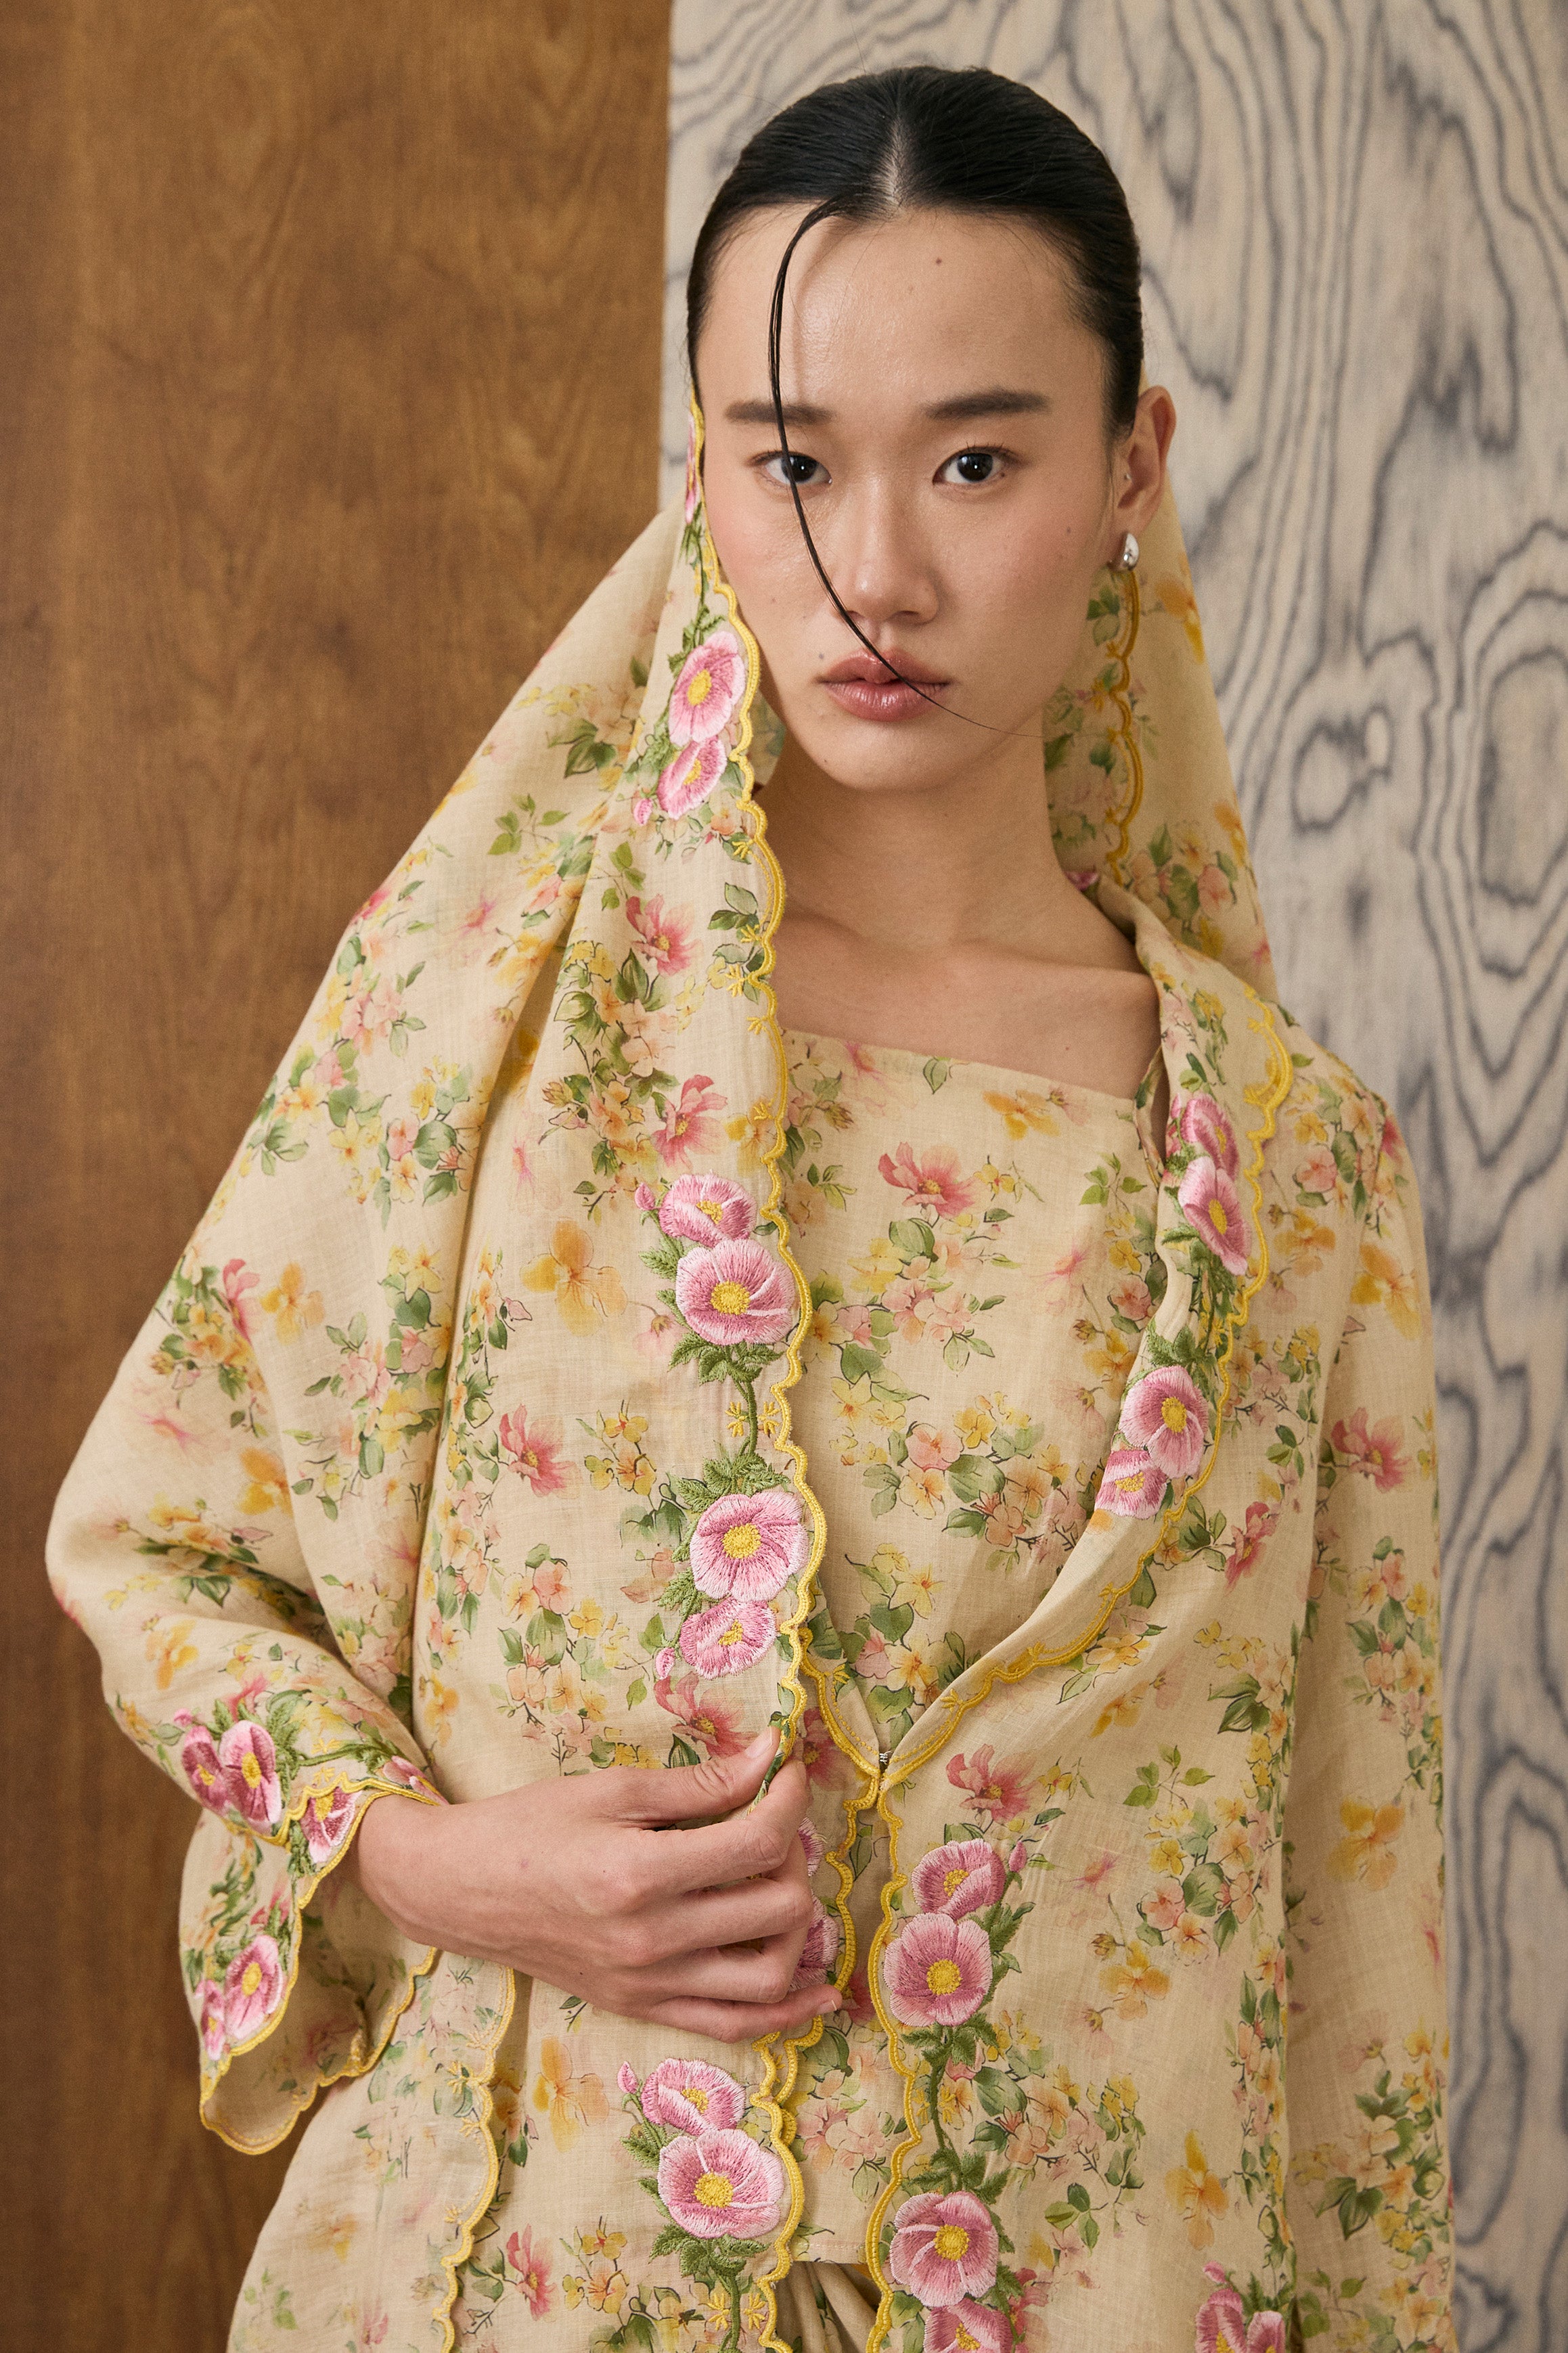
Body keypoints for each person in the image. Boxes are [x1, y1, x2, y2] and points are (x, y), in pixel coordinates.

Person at [50, 64, 1452, 2353]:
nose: (873, 570)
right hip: (517, 2287)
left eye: (976, 463)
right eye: (789, 461)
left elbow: (1355, 1900)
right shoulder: (487, 1028)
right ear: (699, 468)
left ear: (1132, 470)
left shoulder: (1296, 1162)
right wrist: (438, 1868)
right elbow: (161, 1549)